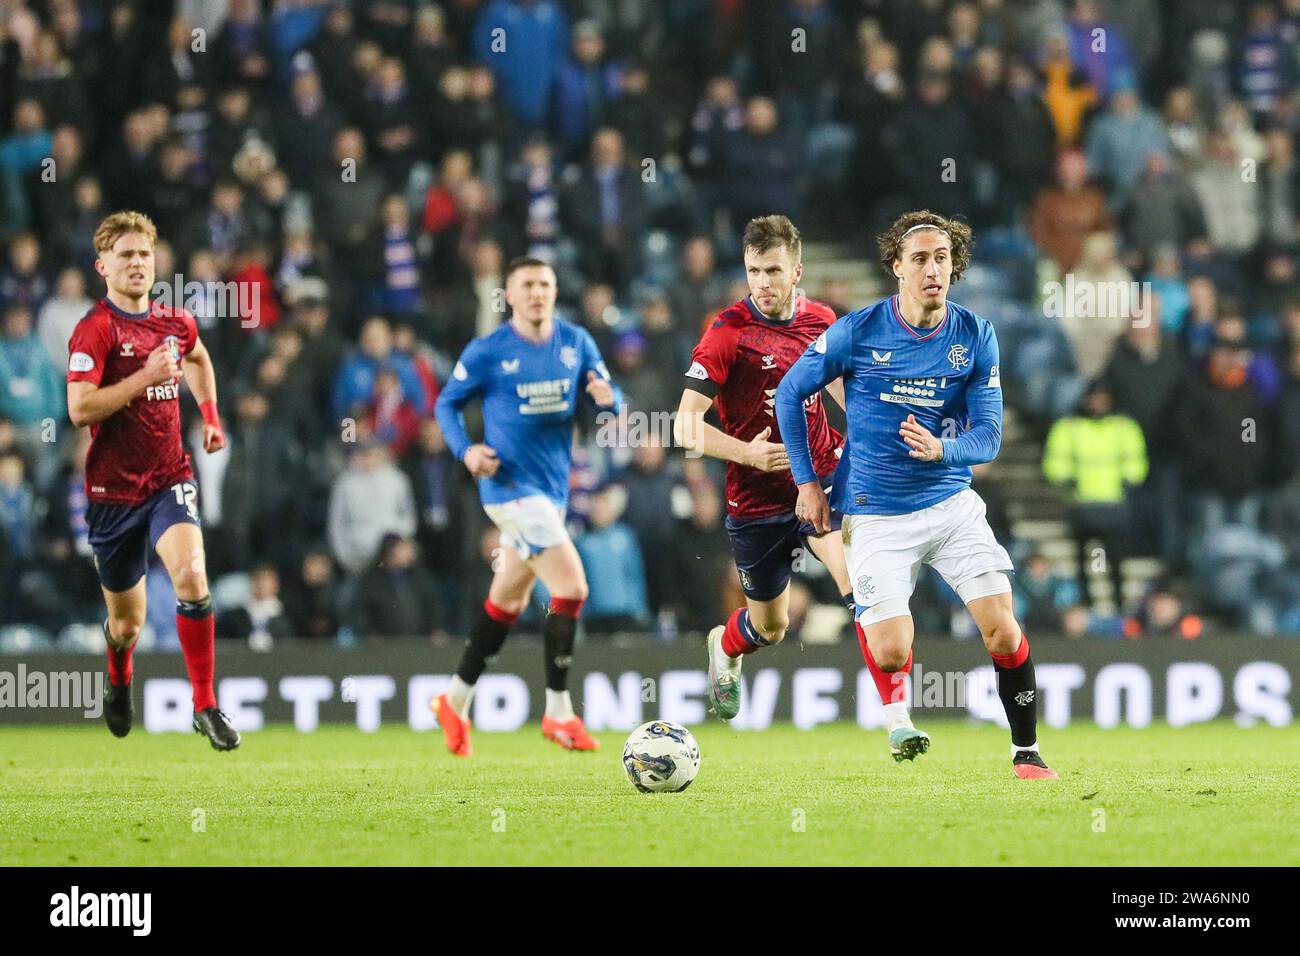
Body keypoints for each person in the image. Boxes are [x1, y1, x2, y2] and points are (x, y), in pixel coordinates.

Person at [776, 210, 1057, 779]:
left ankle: (1025, 752)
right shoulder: (859, 330)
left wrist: (941, 450)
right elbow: (789, 393)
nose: (933, 269)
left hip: (951, 506)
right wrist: (807, 482)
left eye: (943, 258)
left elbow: (989, 437)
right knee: (891, 650)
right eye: (921, 259)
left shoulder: (975, 334)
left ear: (955, 267)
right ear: (896, 268)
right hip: (877, 514)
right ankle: (897, 713)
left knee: (1002, 626)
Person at [673, 216, 857, 730]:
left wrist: (873, 435)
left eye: (773, 271)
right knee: (770, 627)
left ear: (797, 271)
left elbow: (844, 395)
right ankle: (724, 646)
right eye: (754, 271)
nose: (763, 283)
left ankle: (897, 716)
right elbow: (684, 427)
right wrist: (747, 454)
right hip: (755, 498)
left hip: (819, 477)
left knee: (856, 580)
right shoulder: (727, 332)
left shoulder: (821, 320)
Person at [432, 257, 621, 756]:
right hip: (510, 492)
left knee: (507, 603)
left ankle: (454, 699)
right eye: (527, 286)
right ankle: (559, 712)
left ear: (555, 292)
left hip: (551, 494)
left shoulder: (576, 343)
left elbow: (613, 399)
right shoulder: (489, 350)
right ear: (509, 295)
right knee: (572, 587)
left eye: (545, 284)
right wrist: (466, 451)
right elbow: (446, 404)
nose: (537, 293)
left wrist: (608, 398)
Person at [64, 211, 238, 750]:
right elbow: (78, 409)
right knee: (127, 625)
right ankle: (119, 676)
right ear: (103, 267)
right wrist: (143, 378)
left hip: (169, 477)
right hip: (113, 495)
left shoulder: (175, 323)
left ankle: (205, 704)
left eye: (144, 254)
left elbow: (199, 358)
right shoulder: (96, 329)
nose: (137, 263)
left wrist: (210, 416)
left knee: (191, 574)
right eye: (126, 255)